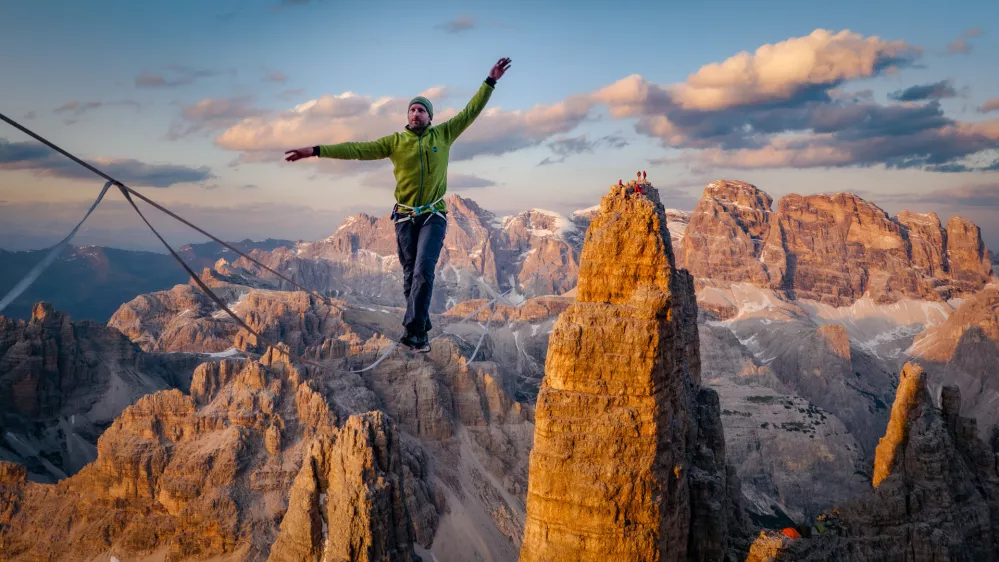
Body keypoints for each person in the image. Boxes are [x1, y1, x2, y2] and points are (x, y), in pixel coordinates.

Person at [285, 57, 513, 351]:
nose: (416, 113)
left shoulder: (444, 134)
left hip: (433, 215)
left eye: (422, 110)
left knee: (422, 270)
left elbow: (471, 112)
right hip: (404, 217)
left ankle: (414, 332)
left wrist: (490, 81)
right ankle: (421, 328)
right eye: (412, 109)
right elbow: (357, 149)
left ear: (430, 117)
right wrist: (316, 150)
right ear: (408, 116)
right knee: (409, 276)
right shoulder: (395, 141)